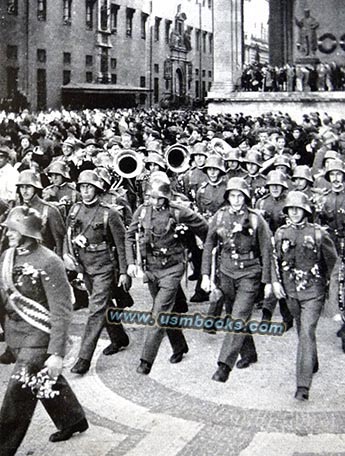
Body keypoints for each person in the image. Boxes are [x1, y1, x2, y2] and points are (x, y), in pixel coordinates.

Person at [0, 206, 88, 455]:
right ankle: (72, 419)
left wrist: (57, 353)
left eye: (12, 229)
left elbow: (61, 312)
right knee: (42, 380)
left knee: (17, 396)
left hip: (39, 337)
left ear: (26, 231)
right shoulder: (7, 256)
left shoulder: (49, 262)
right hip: (16, 334)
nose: (7, 234)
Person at [126, 174, 208, 375]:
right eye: (150, 197)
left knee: (159, 312)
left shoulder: (178, 212)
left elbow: (204, 227)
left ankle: (146, 361)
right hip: (151, 268)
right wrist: (130, 263)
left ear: (165, 197)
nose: (153, 202)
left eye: (157, 198)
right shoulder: (143, 211)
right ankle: (179, 346)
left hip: (172, 268)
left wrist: (201, 247)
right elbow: (129, 236)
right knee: (167, 310)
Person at [202, 177, 274, 382]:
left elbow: (267, 250)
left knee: (238, 316)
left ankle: (224, 365)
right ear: (227, 197)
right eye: (232, 196)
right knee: (235, 314)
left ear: (246, 197)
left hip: (249, 273)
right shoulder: (219, 216)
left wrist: (267, 281)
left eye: (239, 196)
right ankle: (249, 353)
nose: (236, 200)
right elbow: (209, 245)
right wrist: (205, 275)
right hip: (226, 273)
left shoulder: (255, 219)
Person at [272, 191, 337, 400]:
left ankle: (302, 385)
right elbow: (274, 260)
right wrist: (275, 282)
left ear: (306, 210)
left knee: (307, 331)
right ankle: (312, 361)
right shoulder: (281, 233)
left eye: (298, 209)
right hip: (291, 292)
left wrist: (331, 292)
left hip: (313, 291)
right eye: (291, 209)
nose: (294, 212)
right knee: (302, 331)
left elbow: (334, 265)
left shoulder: (318, 234)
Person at [65, 170, 130, 375]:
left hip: (104, 268)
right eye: (82, 187)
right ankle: (119, 337)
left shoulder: (108, 213)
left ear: (97, 189)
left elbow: (121, 244)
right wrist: (69, 256)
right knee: (103, 305)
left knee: (95, 310)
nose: (85, 191)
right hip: (85, 266)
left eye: (89, 187)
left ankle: (84, 357)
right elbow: (68, 235)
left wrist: (123, 272)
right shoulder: (74, 210)